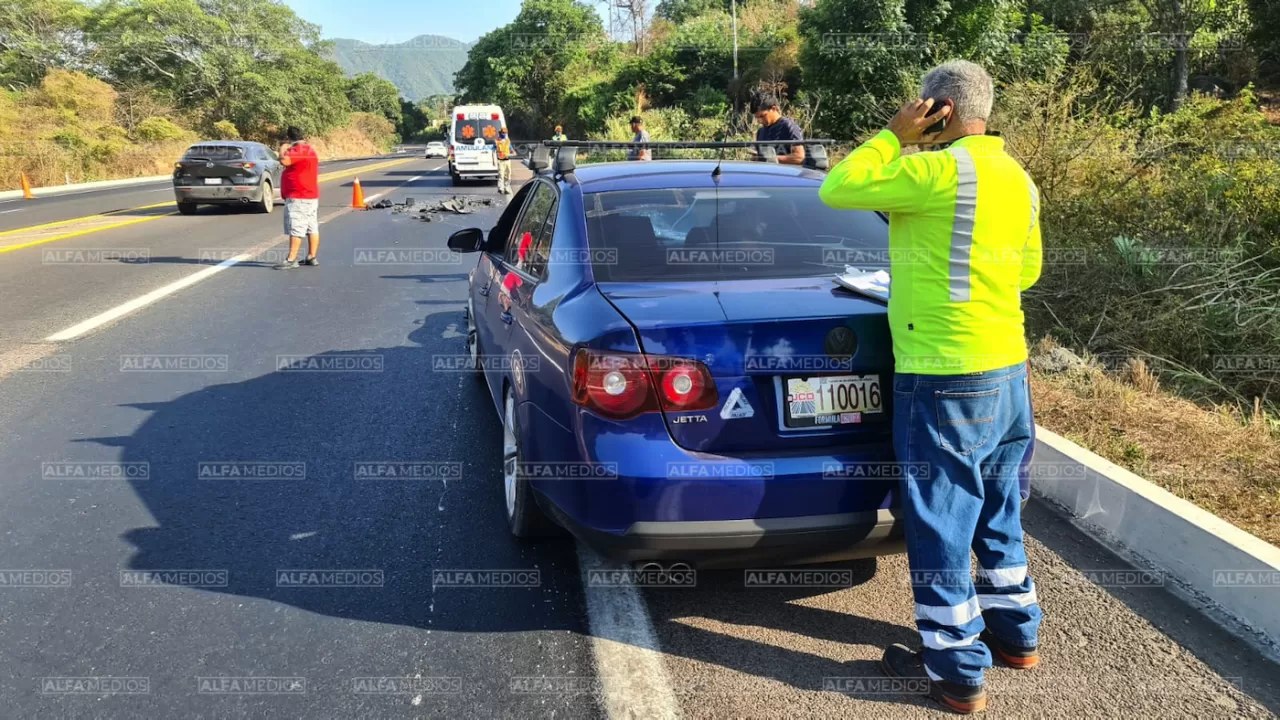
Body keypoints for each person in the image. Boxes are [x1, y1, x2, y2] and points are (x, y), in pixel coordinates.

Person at [818, 59, 1043, 715]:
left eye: (921, 107)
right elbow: (1025, 272)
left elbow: (840, 186)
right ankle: (1016, 634)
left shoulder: (936, 170)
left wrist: (894, 133)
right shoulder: (1020, 181)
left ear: (936, 109)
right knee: (998, 511)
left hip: (945, 375)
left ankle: (956, 670)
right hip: (1007, 371)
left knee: (941, 522)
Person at [274, 126, 321, 269]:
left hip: (299, 196)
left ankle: (291, 259)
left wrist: (282, 147)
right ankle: (311, 256)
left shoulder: (299, 150)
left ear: (289, 138)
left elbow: (285, 161)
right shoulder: (309, 149)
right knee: (311, 227)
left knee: (297, 227)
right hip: (310, 195)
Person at [751, 90, 805, 165]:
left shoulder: (789, 127)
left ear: (774, 109)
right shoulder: (761, 131)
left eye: (762, 116)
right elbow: (759, 158)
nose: (760, 121)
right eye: (757, 118)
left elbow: (799, 157)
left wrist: (772, 158)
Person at [495, 126, 514, 195]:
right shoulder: (497, 141)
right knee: (501, 174)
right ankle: (500, 188)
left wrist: (512, 154)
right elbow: (493, 150)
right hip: (500, 161)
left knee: (508, 175)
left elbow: (512, 151)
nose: (504, 134)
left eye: (505, 133)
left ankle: (506, 188)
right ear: (500, 133)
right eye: (503, 132)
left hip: (507, 160)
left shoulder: (508, 141)